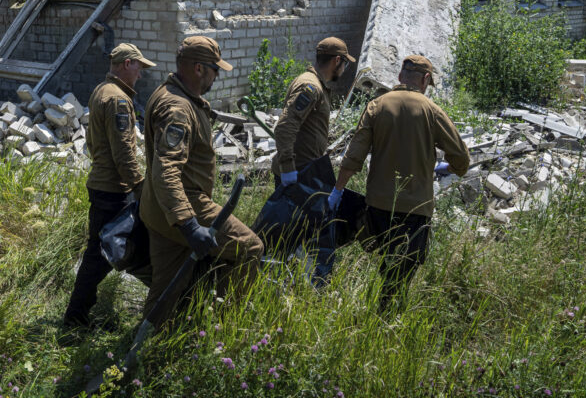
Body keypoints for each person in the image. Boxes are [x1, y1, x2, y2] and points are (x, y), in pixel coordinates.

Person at [328, 55, 470, 309]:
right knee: (399, 277)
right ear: (426, 79)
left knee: (381, 256)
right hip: (416, 210)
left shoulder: (376, 105)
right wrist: (450, 168)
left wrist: (338, 191)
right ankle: (387, 315)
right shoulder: (433, 111)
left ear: (400, 76)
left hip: (377, 208)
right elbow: (462, 158)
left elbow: (354, 156)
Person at [140, 36, 263, 325]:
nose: (217, 76)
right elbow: (166, 170)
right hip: (185, 205)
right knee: (251, 248)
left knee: (166, 291)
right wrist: (189, 224)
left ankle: (147, 345)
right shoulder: (178, 110)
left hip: (159, 209)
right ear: (198, 69)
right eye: (214, 69)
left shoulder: (173, 93)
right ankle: (223, 325)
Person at [62, 43, 156, 329]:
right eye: (139, 67)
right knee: (106, 253)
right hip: (115, 190)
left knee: (106, 251)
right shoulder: (118, 101)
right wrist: (140, 188)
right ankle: (76, 317)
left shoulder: (101, 90)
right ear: (127, 64)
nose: (140, 74)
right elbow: (123, 152)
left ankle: (78, 314)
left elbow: (94, 143)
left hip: (104, 184)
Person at [261, 37, 355, 282]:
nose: (344, 70)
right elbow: (284, 127)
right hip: (301, 176)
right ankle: (305, 283)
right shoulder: (310, 87)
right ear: (337, 61)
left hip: (309, 173)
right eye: (345, 64)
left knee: (295, 234)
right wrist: (289, 168)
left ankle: (288, 279)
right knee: (299, 234)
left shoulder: (314, 84)